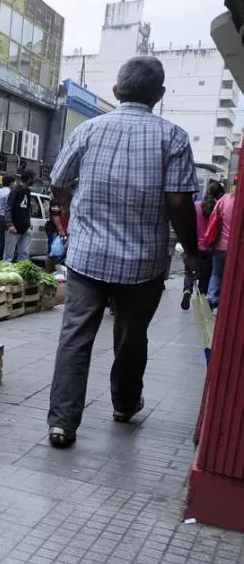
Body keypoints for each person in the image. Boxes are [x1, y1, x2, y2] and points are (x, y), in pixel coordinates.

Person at [44, 56, 199, 448]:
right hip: (143, 265)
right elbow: (180, 203)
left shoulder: (89, 130)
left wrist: (66, 216)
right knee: (132, 338)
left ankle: (62, 423)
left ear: (116, 91)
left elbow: (59, 182)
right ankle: (125, 405)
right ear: (159, 95)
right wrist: (193, 253)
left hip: (87, 258)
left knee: (75, 339)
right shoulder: (174, 138)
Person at [182, 180, 222, 310]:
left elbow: (188, 225)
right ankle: (201, 305)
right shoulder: (218, 208)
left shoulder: (196, 206)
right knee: (205, 279)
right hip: (210, 248)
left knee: (190, 271)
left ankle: (187, 290)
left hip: (195, 247)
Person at [206, 187, 235, 308]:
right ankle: (226, 300)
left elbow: (214, 218)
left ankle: (211, 298)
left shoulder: (224, 199)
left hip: (219, 245)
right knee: (231, 275)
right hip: (234, 247)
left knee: (216, 273)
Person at [4, 171, 36, 263]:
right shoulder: (15, 191)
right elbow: (8, 208)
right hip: (14, 226)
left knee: (24, 254)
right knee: (9, 254)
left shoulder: (28, 192)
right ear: (29, 179)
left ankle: (21, 273)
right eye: (33, 179)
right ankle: (6, 274)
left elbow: (27, 209)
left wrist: (28, 224)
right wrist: (10, 225)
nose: (33, 181)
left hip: (25, 227)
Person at [0, 175, 16, 260]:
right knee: (7, 242)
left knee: (0, 241)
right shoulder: (10, 192)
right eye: (13, 182)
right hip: (5, 218)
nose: (14, 184)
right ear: (10, 183)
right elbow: (9, 206)